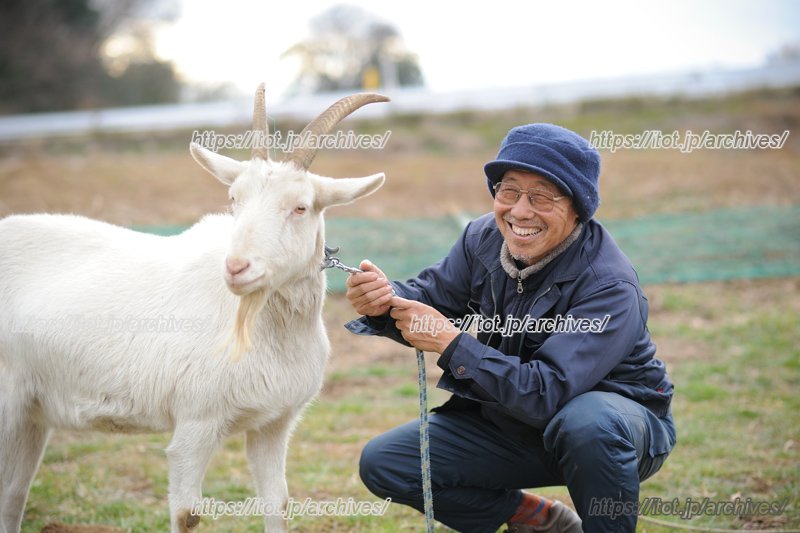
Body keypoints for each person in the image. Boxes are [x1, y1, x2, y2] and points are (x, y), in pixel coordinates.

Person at [344, 123, 676, 533]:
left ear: (578, 207)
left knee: (587, 422)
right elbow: (429, 295)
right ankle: (537, 519)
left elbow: (547, 391)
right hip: (513, 422)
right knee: (387, 462)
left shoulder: (609, 286)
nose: (520, 211)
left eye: (541, 197)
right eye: (508, 191)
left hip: (616, 431)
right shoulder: (482, 238)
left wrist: (452, 343)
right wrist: (382, 299)